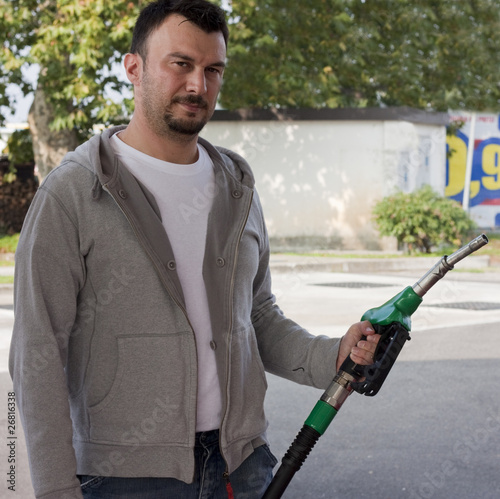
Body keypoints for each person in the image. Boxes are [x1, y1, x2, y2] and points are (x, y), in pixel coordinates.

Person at [9, 1, 380, 498]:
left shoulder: (238, 185)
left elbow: (258, 316)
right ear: (134, 67)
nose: (198, 86)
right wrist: (55, 489)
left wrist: (330, 354)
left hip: (241, 465)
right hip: (123, 479)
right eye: (181, 64)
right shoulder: (73, 193)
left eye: (213, 70)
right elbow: (36, 353)